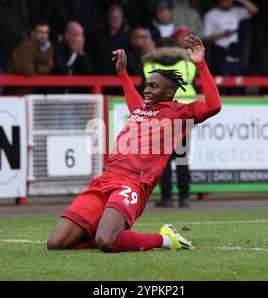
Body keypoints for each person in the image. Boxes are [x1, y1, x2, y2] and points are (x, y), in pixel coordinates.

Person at [47, 34, 222, 252]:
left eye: (153, 87)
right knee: (56, 244)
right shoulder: (140, 109)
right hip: (105, 179)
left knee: (106, 242)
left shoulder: (179, 113)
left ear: (169, 92)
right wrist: (122, 73)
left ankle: (166, 239)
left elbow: (214, 106)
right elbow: (133, 97)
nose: (147, 90)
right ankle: (107, 231)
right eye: (147, 85)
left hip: (132, 184)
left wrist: (201, 65)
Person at [142, 33, 198, 208]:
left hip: (163, 116)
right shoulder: (188, 65)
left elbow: (145, 90)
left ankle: (166, 197)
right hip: (184, 115)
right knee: (182, 158)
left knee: (163, 158)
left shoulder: (149, 65)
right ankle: (184, 196)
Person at [203, 0, 258, 76]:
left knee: (238, 79)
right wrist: (223, 34)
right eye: (227, 1)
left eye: (231, 1)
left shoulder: (235, 11)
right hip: (220, 52)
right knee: (221, 80)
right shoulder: (211, 15)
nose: (229, 3)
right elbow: (206, 38)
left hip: (235, 51)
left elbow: (254, 10)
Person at [7, 20, 54, 94]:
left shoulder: (49, 47)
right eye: (40, 32)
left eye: (45, 33)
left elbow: (49, 67)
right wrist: (40, 68)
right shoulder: (26, 45)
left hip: (35, 91)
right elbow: (26, 69)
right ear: (33, 33)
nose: (43, 36)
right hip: (18, 91)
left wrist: (35, 66)